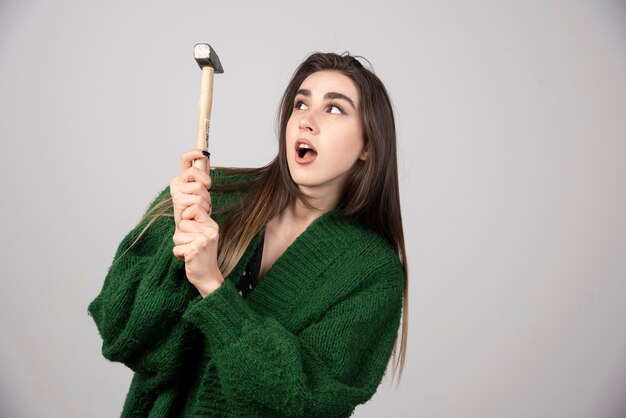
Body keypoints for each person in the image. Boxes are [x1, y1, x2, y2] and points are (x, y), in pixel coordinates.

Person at [88, 51, 409, 417]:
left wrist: (212, 287)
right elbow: (122, 336)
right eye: (300, 104)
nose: (307, 121)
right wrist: (174, 253)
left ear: (368, 144)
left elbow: (302, 405)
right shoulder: (208, 195)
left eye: (334, 109)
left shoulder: (373, 273)